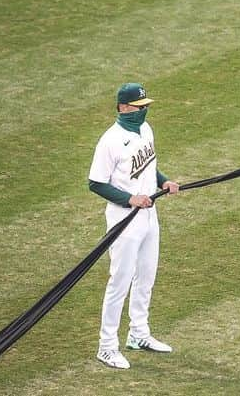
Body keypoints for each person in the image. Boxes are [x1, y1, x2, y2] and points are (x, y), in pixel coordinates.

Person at [88, 82, 180, 370]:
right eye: (139, 107)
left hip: (149, 217)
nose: (144, 111)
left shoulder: (146, 130)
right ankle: (107, 346)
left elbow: (150, 167)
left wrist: (163, 181)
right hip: (123, 220)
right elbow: (96, 183)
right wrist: (130, 199)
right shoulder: (110, 141)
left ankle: (138, 334)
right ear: (123, 108)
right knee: (120, 281)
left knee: (146, 277)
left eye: (146, 106)